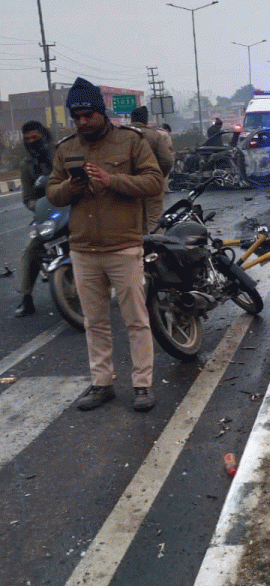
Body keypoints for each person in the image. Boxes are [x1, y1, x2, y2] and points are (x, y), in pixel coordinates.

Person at [47, 78, 163, 412]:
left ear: (101, 113)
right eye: (76, 116)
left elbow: (154, 181)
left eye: (87, 115)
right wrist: (71, 188)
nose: (81, 122)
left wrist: (113, 181)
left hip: (122, 246)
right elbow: (53, 194)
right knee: (94, 322)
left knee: (136, 320)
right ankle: (102, 383)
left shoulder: (130, 141)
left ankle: (142, 385)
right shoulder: (66, 148)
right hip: (83, 248)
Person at [15, 120, 54, 316]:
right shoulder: (26, 165)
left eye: (35, 137)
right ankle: (26, 298)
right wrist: (38, 208)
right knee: (30, 249)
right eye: (28, 139)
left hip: (73, 208)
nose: (32, 141)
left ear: (44, 135)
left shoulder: (60, 153)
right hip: (46, 214)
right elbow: (28, 198)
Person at [130, 106, 174, 230]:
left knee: (133, 221)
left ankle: (138, 248)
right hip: (152, 184)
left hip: (129, 184)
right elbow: (168, 160)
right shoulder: (155, 136)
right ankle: (154, 247)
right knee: (154, 220)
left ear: (132, 119)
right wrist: (159, 176)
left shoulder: (120, 136)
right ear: (146, 120)